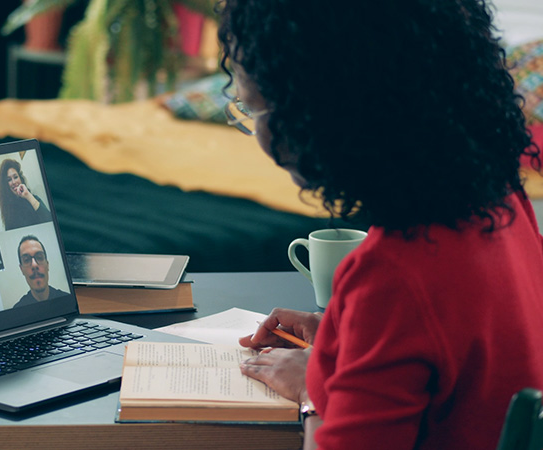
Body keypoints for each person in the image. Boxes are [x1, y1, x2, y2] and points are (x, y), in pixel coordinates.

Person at [218, 1, 543, 449]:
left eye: (254, 110)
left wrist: (316, 389)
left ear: (319, 111)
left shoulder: (391, 275)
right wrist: (345, 338)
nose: (259, 134)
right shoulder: (502, 198)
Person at [0, 158, 51, 230]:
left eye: (15, 177)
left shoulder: (33, 198)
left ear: (20, 178)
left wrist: (28, 196)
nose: (14, 182)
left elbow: (50, 220)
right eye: (9, 180)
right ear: (6, 185)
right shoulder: (8, 210)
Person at [13, 235, 67, 308]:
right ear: (22, 269)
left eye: (39, 257)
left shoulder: (66, 299)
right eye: (26, 260)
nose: (34, 265)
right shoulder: (18, 310)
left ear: (47, 265)